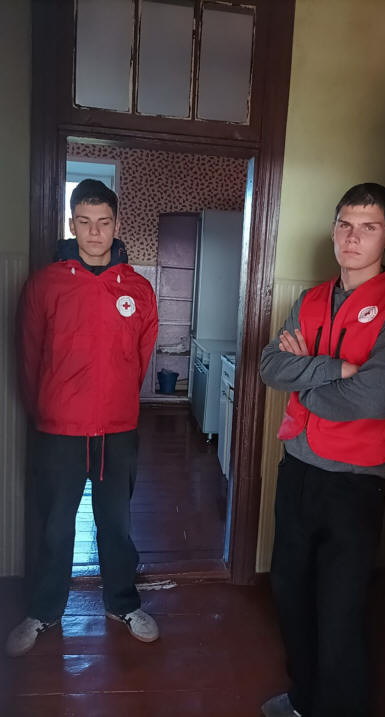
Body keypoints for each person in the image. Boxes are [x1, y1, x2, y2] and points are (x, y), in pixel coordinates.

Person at [259, 183, 385, 717]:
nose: (353, 237)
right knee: (289, 590)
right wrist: (334, 369)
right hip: (298, 467)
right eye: (345, 224)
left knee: (339, 608)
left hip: (356, 480)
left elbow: (372, 397)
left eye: (368, 227)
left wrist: (302, 380)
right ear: (332, 230)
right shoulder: (311, 299)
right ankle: (305, 699)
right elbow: (269, 366)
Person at [6, 179, 158, 657]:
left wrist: (116, 400)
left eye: (104, 223)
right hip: (59, 427)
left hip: (118, 428)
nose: (95, 233)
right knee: (55, 525)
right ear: (72, 224)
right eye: (85, 222)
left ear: (116, 225)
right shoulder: (46, 284)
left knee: (117, 523)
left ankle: (122, 603)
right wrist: (46, 409)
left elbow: (140, 359)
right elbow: (28, 356)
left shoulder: (138, 289)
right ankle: (44, 611)